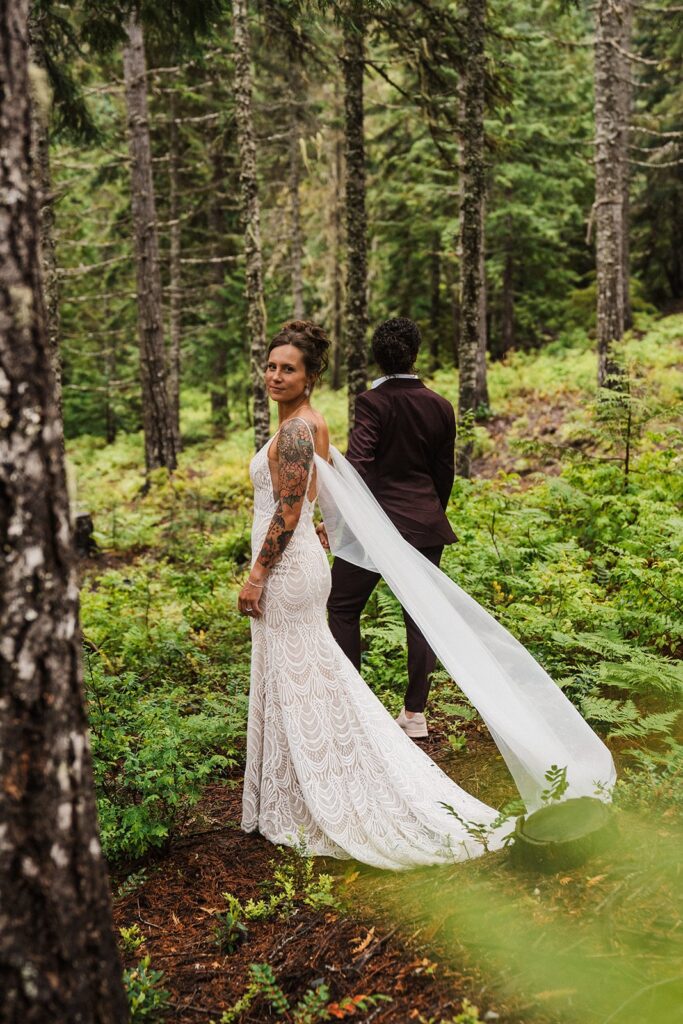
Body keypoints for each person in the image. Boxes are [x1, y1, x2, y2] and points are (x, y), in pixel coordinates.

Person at [237, 320, 616, 870]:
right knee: (352, 652)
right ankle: (383, 730)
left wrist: (261, 572)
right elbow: (421, 473)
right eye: (271, 366)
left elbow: (304, 499)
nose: (275, 375)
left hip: (300, 564)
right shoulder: (418, 408)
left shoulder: (317, 423)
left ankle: (338, 777)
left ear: (311, 375)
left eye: (287, 367)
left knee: (324, 652)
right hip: (410, 522)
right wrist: (377, 520)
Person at [324, 317, 456, 739]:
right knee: (420, 616)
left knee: (343, 607)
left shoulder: (371, 403)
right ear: (415, 354)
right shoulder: (440, 405)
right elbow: (444, 473)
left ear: (377, 359)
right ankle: (415, 714)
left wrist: (343, 519)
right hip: (424, 522)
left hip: (374, 526)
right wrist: (430, 514)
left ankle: (354, 708)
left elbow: (358, 463)